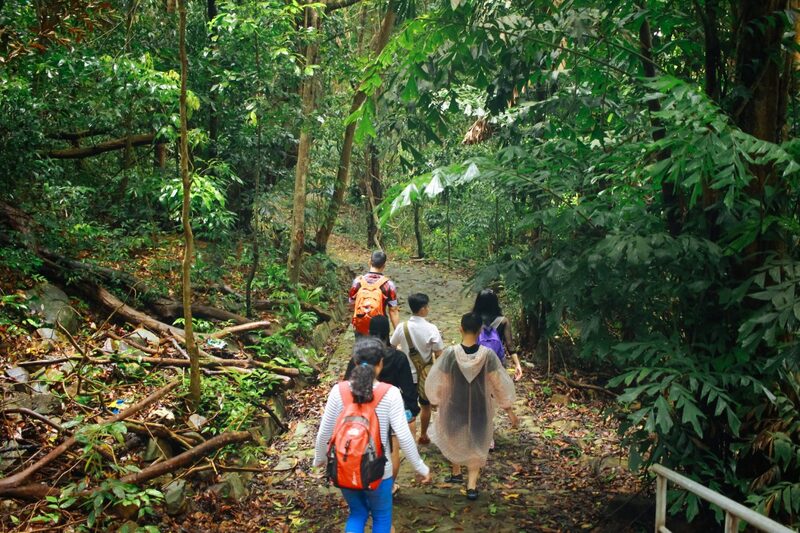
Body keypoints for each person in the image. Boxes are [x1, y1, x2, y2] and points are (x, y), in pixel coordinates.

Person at [314, 338, 432, 532]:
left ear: (355, 361)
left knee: (357, 514)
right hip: (379, 470)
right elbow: (403, 436)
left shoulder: (339, 391)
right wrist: (420, 467)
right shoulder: (391, 393)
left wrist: (319, 459)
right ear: (381, 363)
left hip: (345, 467)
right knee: (381, 517)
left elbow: (324, 432)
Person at [425, 312, 518, 501]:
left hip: (454, 403)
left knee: (453, 437)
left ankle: (456, 472)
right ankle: (471, 485)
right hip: (479, 405)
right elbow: (499, 384)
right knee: (476, 441)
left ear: (461, 328)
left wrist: (435, 400)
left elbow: (438, 379)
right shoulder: (488, 356)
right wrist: (509, 409)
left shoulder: (450, 354)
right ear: (480, 331)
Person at [344, 316, 419, 495]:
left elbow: (348, 383)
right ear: (388, 333)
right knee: (391, 449)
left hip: (363, 409)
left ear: (369, 333)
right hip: (389, 408)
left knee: (364, 446)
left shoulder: (359, 356)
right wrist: (411, 410)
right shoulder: (398, 357)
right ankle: (388, 487)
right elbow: (408, 388)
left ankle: (362, 479)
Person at [390, 293, 444, 445]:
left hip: (405, 375)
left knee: (408, 406)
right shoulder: (431, 329)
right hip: (425, 376)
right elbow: (439, 353)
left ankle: (407, 438)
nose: (428, 308)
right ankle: (423, 434)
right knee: (425, 406)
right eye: (427, 306)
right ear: (422, 310)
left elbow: (392, 347)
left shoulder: (402, 327)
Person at [472, 288, 524, 381]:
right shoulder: (503, 321)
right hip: (497, 362)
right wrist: (517, 364)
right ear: (495, 303)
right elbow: (510, 345)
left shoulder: (472, 319)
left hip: (477, 362)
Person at [349, 250, 399, 337]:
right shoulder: (388, 285)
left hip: (361, 323)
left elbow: (352, 304)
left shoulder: (357, 282)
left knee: (361, 348)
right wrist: (398, 335)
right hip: (380, 326)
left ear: (369, 262)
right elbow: (393, 310)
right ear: (384, 265)